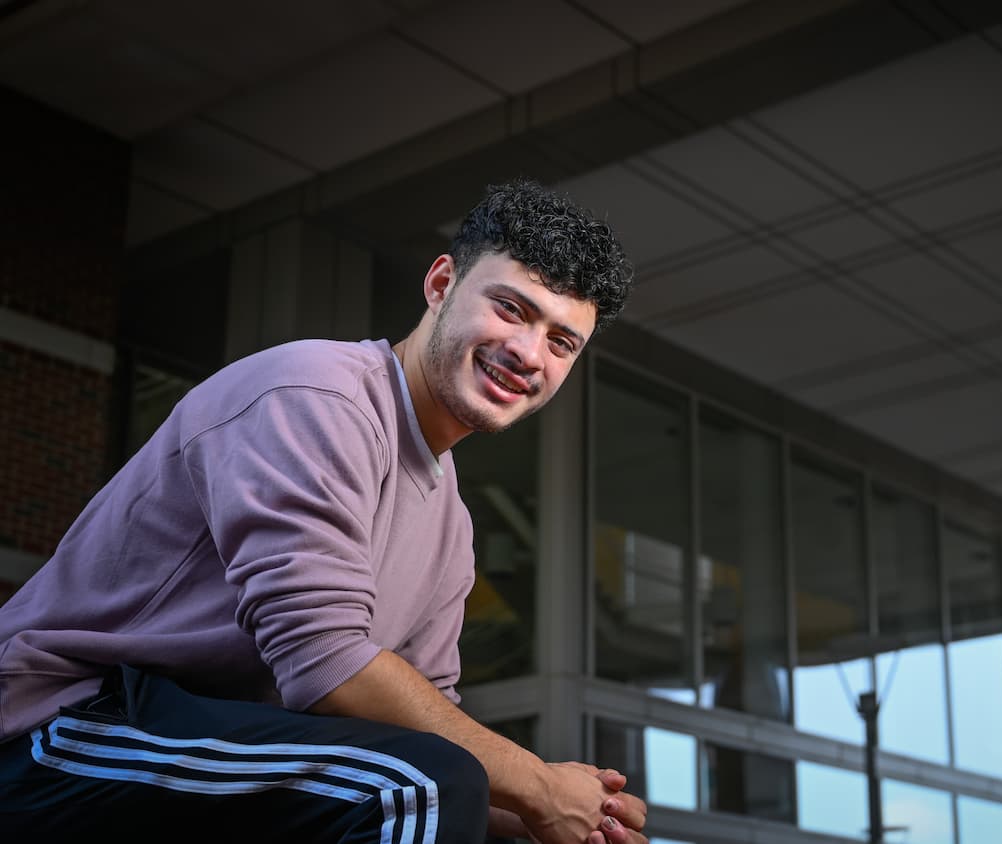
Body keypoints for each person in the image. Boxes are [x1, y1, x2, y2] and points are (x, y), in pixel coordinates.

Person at [0, 180, 648, 844]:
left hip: (201, 753)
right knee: (423, 787)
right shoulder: (316, 396)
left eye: (562, 342)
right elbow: (323, 661)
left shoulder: (450, 526)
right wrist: (537, 784)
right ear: (441, 284)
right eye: (511, 308)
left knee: (455, 792)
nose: (529, 352)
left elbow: (418, 727)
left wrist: (563, 816)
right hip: (59, 732)